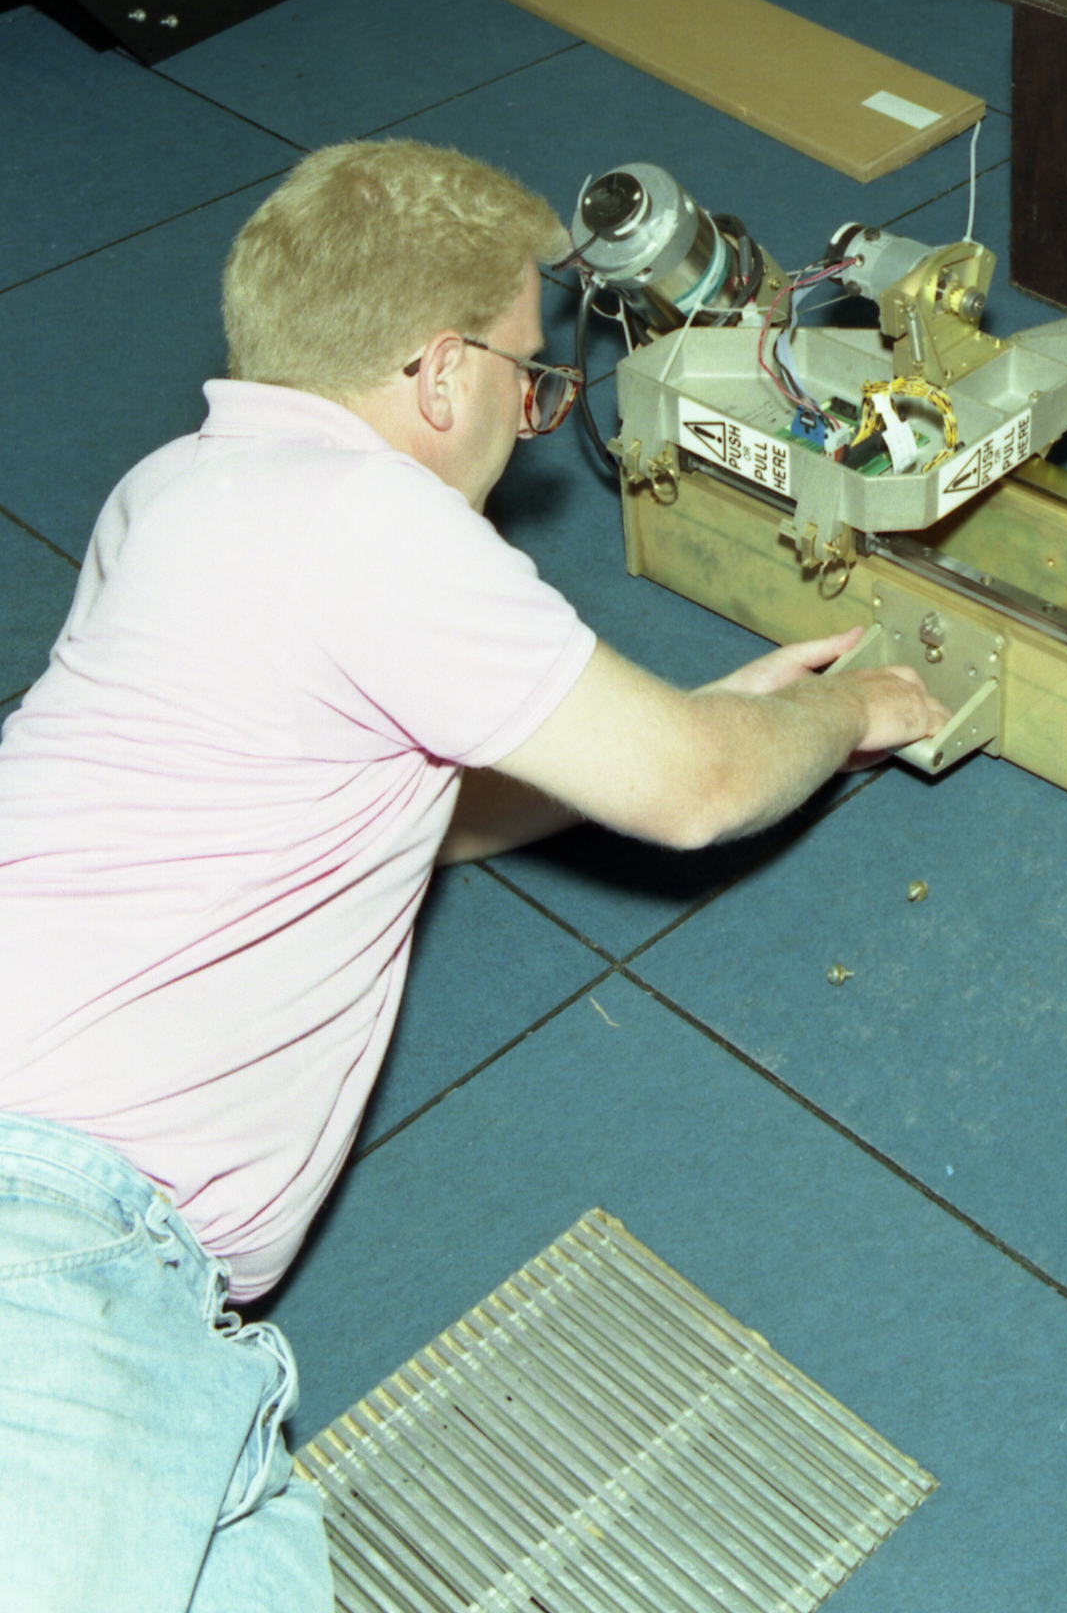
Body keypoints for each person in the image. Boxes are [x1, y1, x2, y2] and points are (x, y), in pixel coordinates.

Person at [0, 139, 946, 1613]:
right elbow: (697, 797)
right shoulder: (373, 522)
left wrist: (683, 729)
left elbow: (388, 814)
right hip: (54, 1255)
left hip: (120, 1273)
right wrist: (851, 712)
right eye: (532, 374)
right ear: (442, 374)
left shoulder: (172, 493)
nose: (534, 408)